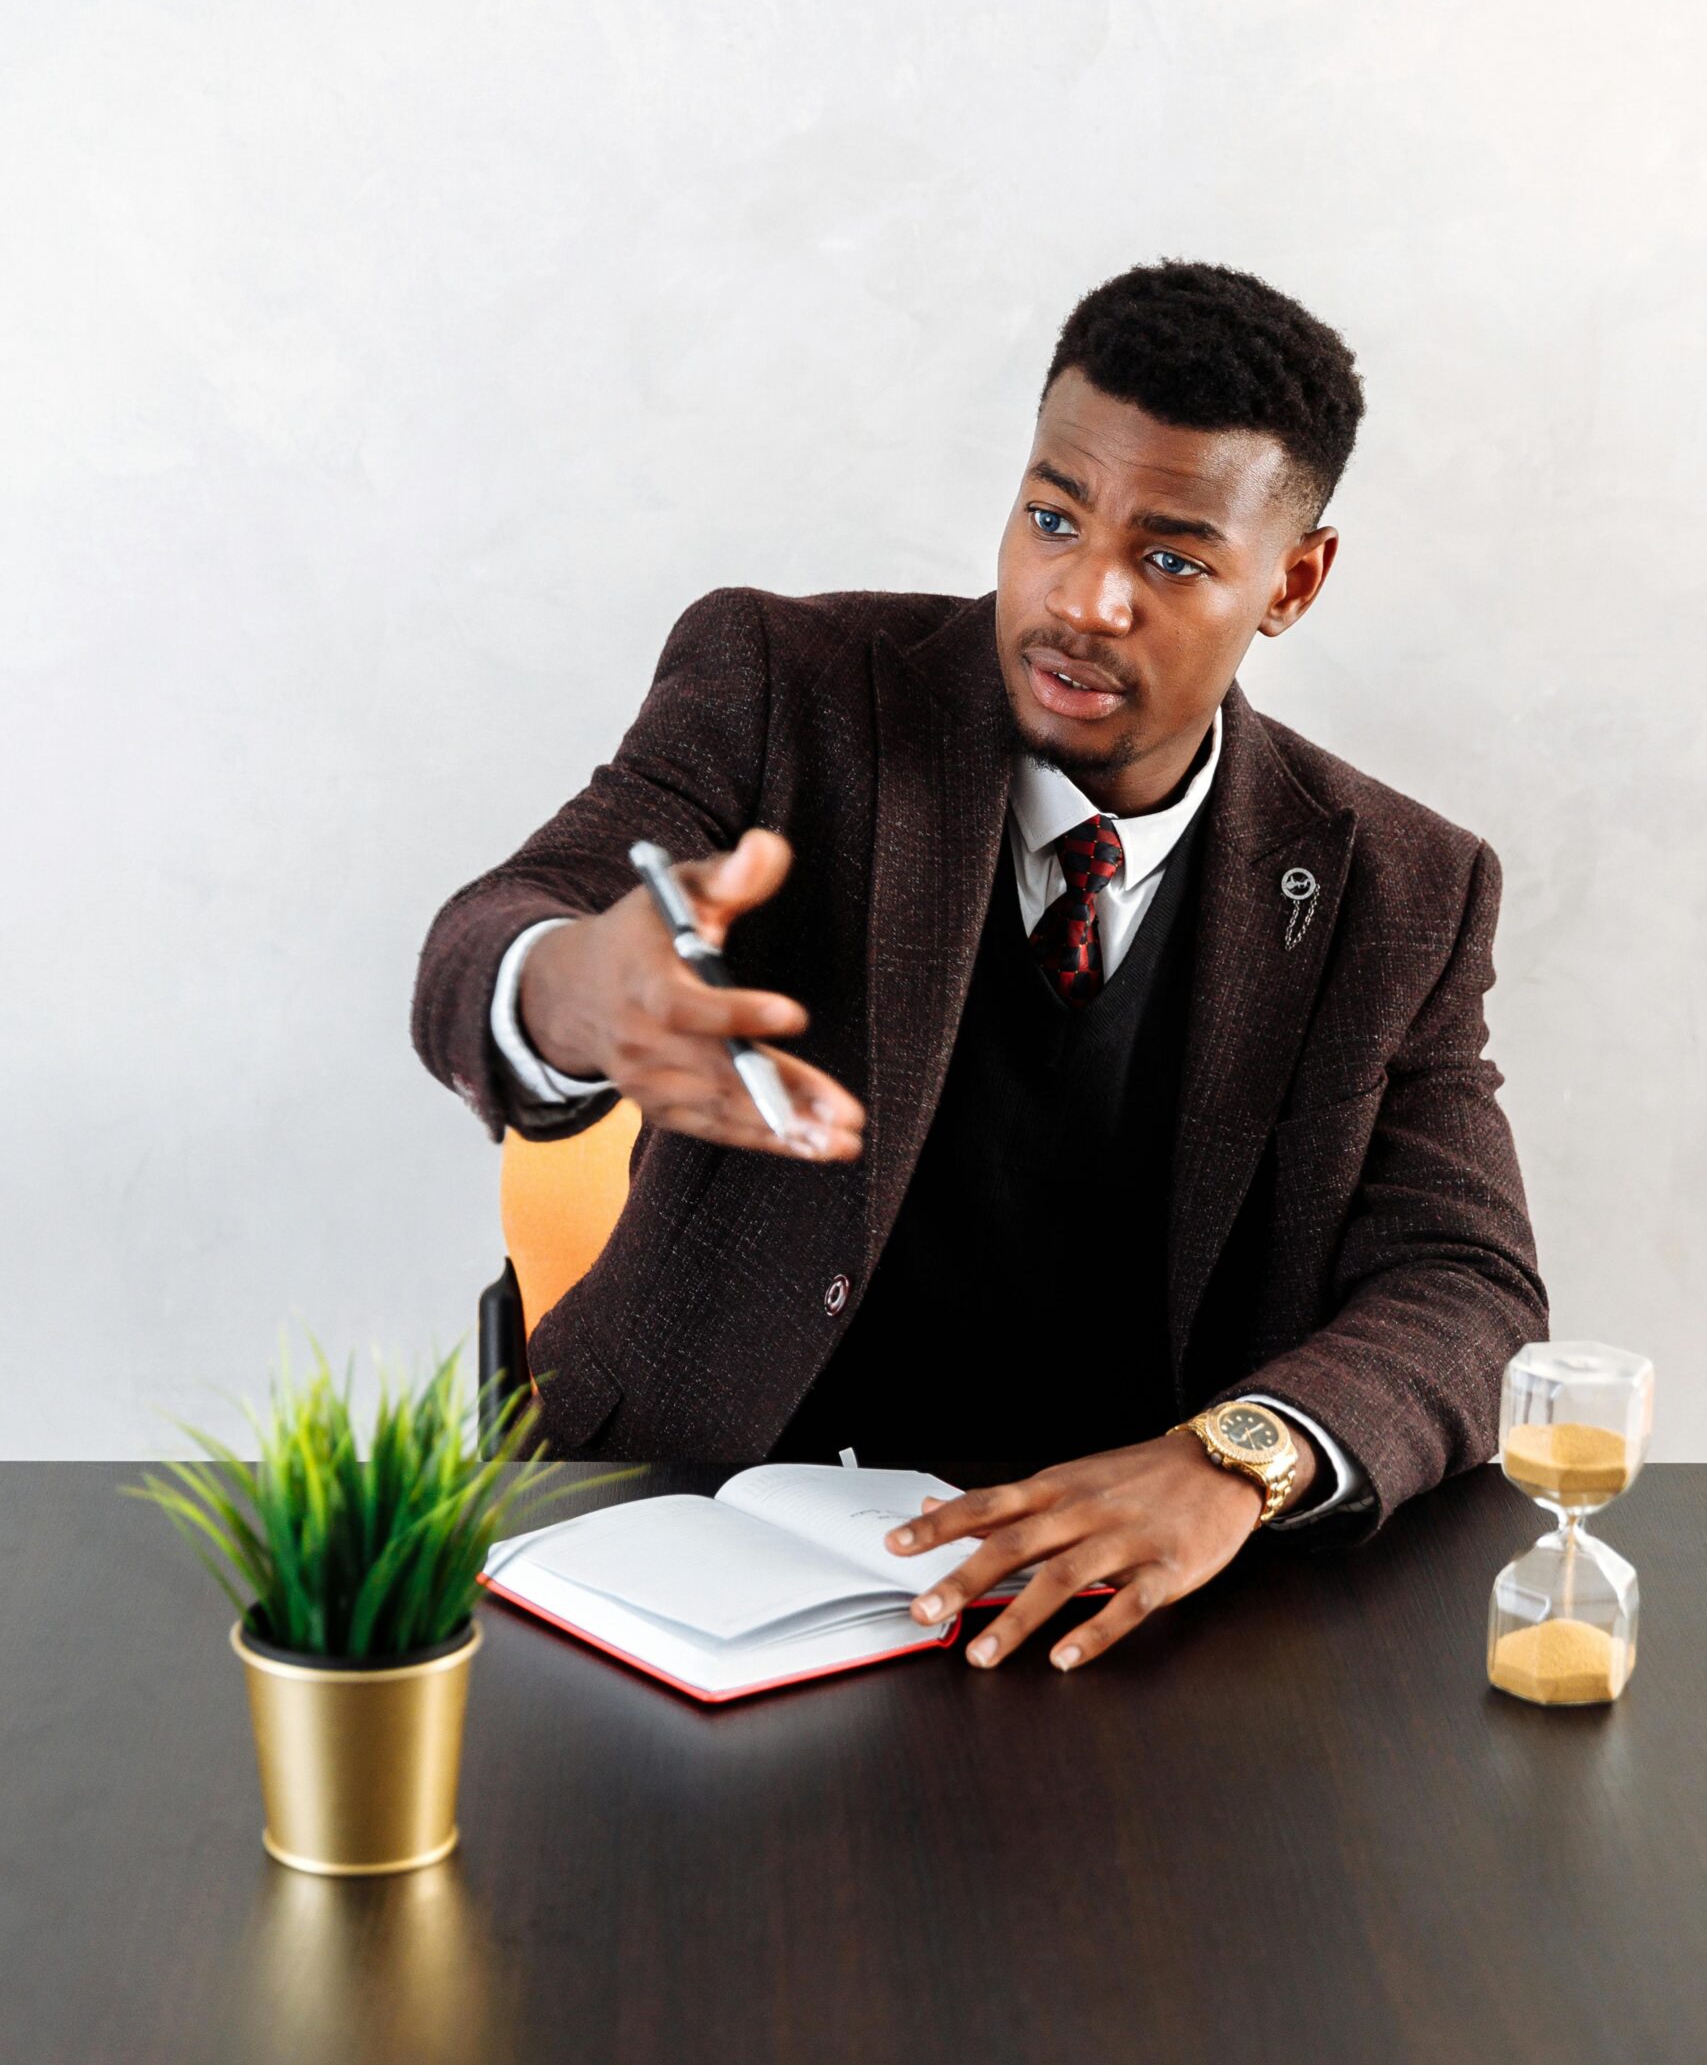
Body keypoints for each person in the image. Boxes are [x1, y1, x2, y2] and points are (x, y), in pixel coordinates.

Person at [413, 260, 1547, 1673]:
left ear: (1292, 584)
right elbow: (498, 926)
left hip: (1120, 1623)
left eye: (1174, 558)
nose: (1085, 599)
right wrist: (579, 989)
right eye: (1054, 516)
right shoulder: (786, 687)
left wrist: (1231, 1463)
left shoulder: (1404, 887)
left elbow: (1471, 1283)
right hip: (692, 1528)